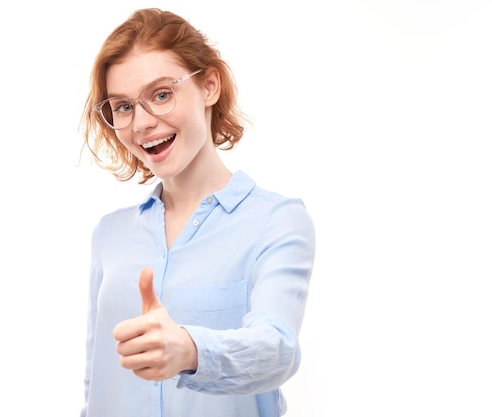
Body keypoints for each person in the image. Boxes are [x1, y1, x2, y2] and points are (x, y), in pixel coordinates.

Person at [79, 8, 316, 417]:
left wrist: (190, 350)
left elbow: (278, 349)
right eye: (122, 107)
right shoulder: (110, 234)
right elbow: (96, 384)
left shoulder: (275, 221)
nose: (142, 124)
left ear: (209, 86)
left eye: (161, 94)